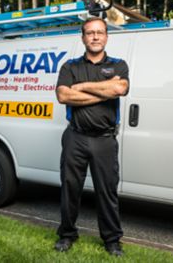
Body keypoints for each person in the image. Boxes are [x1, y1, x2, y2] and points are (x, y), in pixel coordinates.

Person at [54, 17, 129, 257]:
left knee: (107, 191)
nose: (95, 37)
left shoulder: (118, 65)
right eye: (90, 33)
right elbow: (64, 96)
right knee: (70, 188)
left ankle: (112, 240)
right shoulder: (70, 66)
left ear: (107, 36)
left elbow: (119, 89)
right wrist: (103, 91)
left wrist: (82, 86)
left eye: (100, 32)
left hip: (105, 139)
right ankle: (67, 235)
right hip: (75, 137)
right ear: (83, 37)